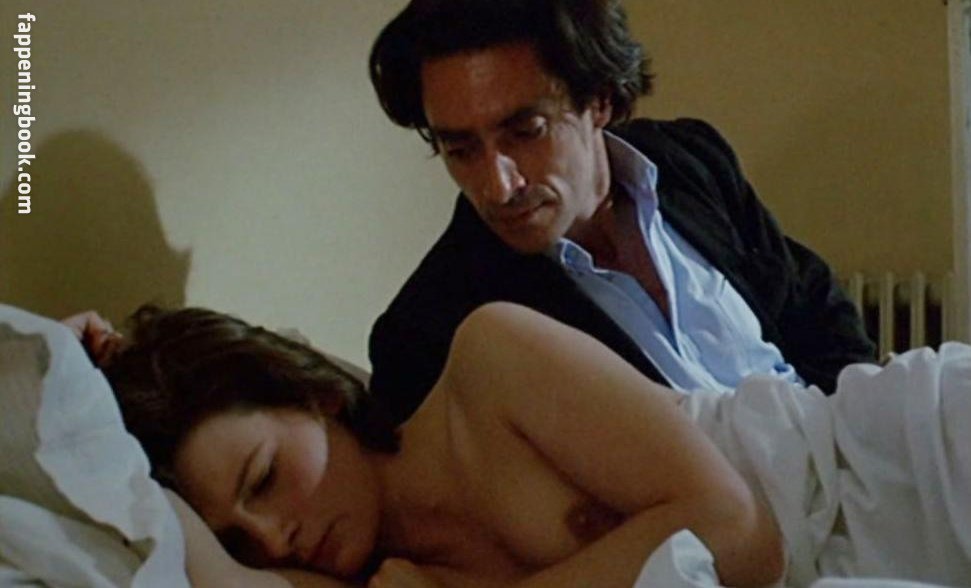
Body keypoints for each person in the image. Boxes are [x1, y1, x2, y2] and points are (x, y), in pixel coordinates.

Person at [86, 304, 969, 588]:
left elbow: (740, 532)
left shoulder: (489, 360)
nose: (273, 536)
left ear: (313, 397)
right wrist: (65, 370)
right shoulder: (365, 575)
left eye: (265, 480)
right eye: (240, 537)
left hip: (892, 457)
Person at [366, 0, 876, 424]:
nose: (500, 187)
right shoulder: (431, 331)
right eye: (461, 150)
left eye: (526, 132)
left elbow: (812, 302)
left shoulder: (690, 158)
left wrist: (855, 435)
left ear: (600, 100)